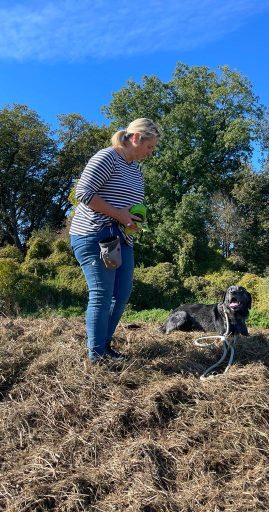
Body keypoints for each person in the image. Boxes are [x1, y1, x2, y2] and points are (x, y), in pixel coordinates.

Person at [69, 118, 161, 363]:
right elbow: (83, 193)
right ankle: (97, 355)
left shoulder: (135, 169)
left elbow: (128, 203)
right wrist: (118, 214)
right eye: (150, 147)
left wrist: (131, 219)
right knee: (101, 292)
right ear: (135, 139)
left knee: (121, 293)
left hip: (121, 237)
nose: (151, 153)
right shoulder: (107, 157)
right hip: (93, 234)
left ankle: (104, 346)